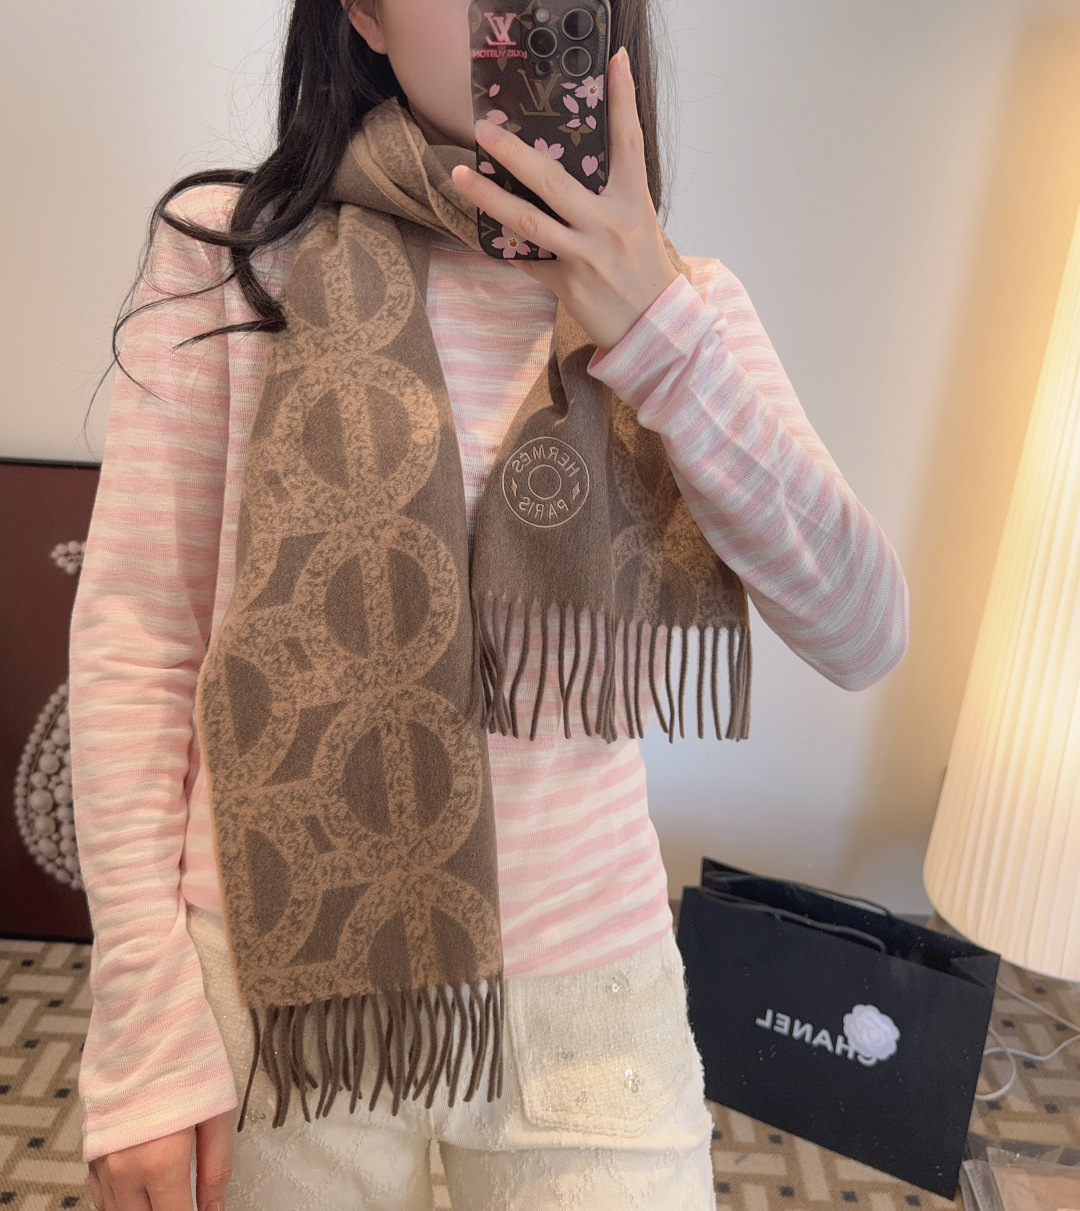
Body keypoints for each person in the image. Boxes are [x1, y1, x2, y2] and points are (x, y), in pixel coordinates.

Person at [67, 1, 910, 1208]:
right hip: (274, 988)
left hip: (589, 1009)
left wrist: (661, 335)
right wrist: (141, 1027)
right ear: (362, 13)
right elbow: (139, 644)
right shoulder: (232, 256)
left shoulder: (681, 306)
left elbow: (865, 632)